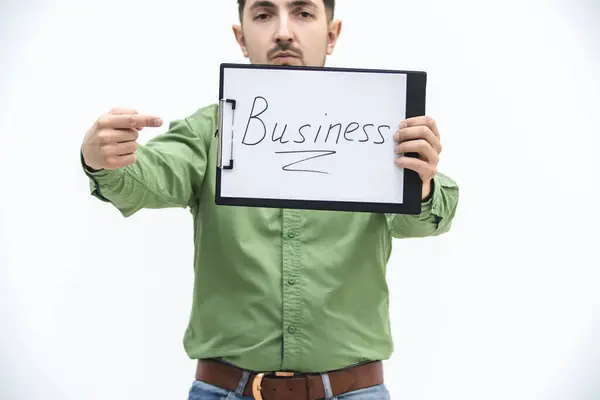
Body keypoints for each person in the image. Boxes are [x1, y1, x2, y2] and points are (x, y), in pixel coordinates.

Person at [80, 0, 459, 399]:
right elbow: (147, 176)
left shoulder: (382, 129)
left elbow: (430, 216)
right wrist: (103, 160)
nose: (282, 32)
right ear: (241, 38)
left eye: (303, 12)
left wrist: (422, 184)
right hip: (225, 390)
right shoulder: (208, 131)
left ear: (332, 34)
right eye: (263, 14)